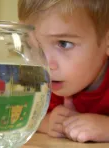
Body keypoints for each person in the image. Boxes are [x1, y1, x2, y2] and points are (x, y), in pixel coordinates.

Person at [18, 0, 109, 143]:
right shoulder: (49, 84)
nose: (45, 63)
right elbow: (19, 119)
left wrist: (105, 128)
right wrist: (48, 123)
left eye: (63, 43)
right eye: (34, 47)